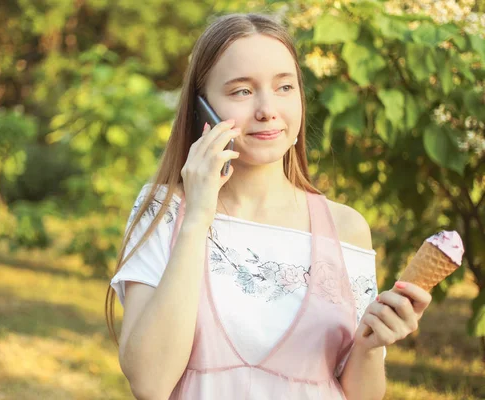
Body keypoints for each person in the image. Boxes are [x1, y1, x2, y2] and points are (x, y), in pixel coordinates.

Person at [106, 12, 432, 400]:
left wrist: (372, 344)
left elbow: (361, 394)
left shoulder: (346, 227)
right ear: (202, 108)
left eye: (284, 87)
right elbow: (150, 383)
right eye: (242, 91)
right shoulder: (164, 209)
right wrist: (197, 214)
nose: (267, 109)